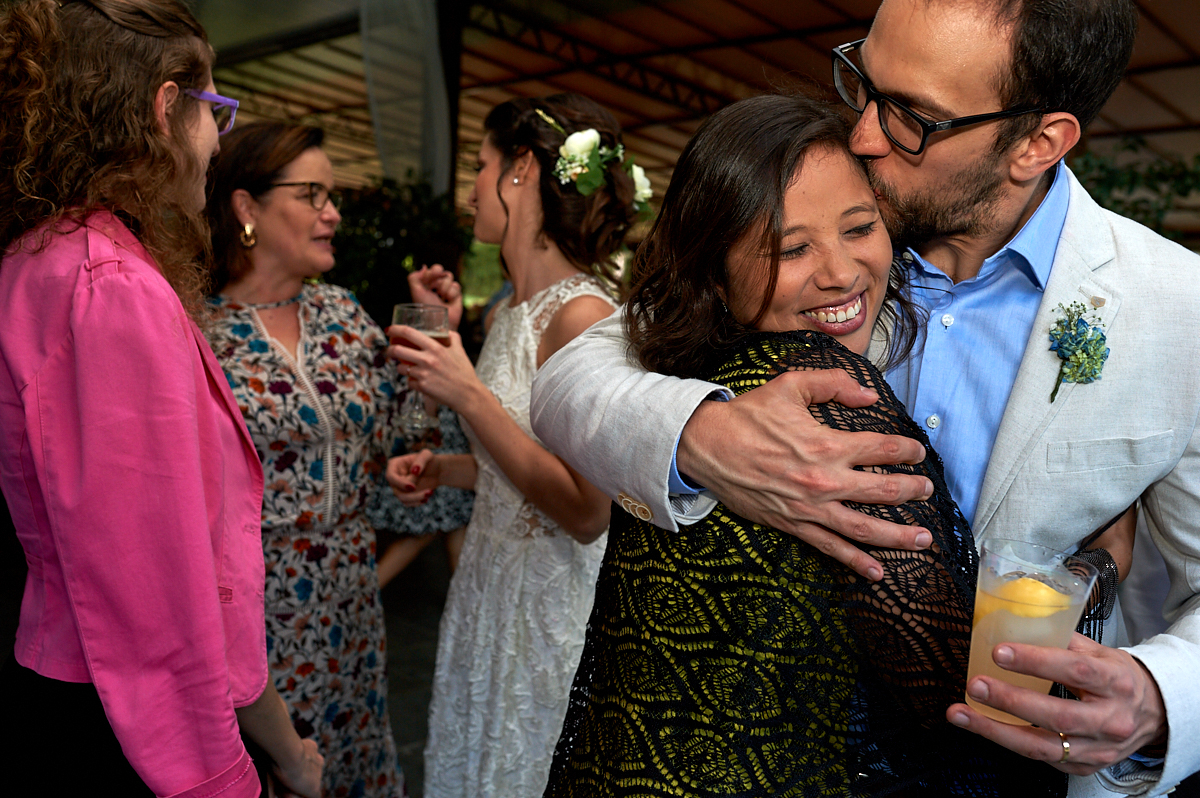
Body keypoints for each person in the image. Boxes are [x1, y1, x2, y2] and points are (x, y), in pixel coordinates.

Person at [531, 0, 1200, 794]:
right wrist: (699, 437)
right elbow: (572, 376)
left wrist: (1160, 696)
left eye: (912, 116)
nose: (863, 133)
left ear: (1038, 143)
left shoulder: (1175, 311)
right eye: (864, 84)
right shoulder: (835, 210)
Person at [0, 1, 323, 796]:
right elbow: (155, 606)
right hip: (123, 723)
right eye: (216, 109)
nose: (218, 139)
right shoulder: (109, 286)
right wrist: (223, 777)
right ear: (165, 107)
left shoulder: (40, 256)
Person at [383, 92, 637, 797]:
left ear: (521, 168)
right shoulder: (508, 314)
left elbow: (587, 511)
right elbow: (513, 464)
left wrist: (468, 394)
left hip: (545, 614)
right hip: (487, 593)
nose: (471, 189)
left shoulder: (585, 317)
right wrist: (445, 468)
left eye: (480, 165)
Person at [205, 121, 404, 797]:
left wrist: (433, 348)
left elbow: (398, 437)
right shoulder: (196, 332)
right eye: (312, 194)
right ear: (246, 207)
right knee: (275, 771)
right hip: (257, 611)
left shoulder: (343, 313)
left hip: (353, 603)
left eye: (332, 195)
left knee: (353, 759)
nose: (333, 212)